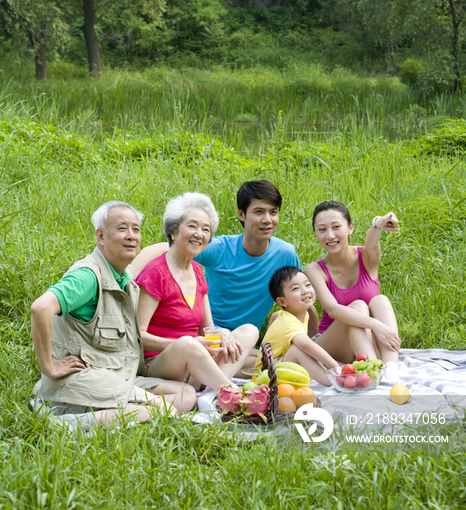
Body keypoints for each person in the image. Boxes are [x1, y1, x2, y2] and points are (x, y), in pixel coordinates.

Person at [31, 201, 197, 428]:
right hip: (83, 378)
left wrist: (189, 238)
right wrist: (48, 367)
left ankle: (111, 414)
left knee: (186, 394)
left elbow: (153, 251)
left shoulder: (124, 272)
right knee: (158, 409)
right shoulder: (87, 277)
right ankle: (67, 423)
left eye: (136, 230)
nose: (131, 236)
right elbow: (40, 308)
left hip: (118, 375)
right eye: (122, 228)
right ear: (101, 236)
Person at [133, 181, 320, 337]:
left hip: (244, 337)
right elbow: (158, 249)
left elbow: (302, 296)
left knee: (260, 354)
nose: (267, 220)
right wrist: (126, 280)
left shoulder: (285, 253)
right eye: (259, 212)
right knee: (262, 363)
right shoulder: (220, 249)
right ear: (241, 214)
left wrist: (310, 338)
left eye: (273, 212)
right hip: (208, 333)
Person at [135, 192, 259, 392]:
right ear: (173, 231)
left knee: (248, 331)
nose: (199, 234)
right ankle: (230, 393)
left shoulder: (197, 271)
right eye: (192, 226)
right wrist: (187, 343)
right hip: (161, 363)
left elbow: (207, 329)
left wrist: (223, 333)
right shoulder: (155, 273)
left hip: (197, 359)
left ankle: (212, 390)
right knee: (186, 344)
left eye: (206, 229)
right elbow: (138, 335)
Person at [305, 201, 401, 383]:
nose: (330, 235)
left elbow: (371, 242)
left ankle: (390, 370)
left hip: (366, 340)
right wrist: (375, 324)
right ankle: (374, 370)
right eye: (322, 229)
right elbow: (333, 310)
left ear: (350, 228)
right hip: (333, 344)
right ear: (316, 233)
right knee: (357, 306)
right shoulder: (315, 269)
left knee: (380, 300)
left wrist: (378, 224)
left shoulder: (366, 257)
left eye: (336, 227)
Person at [257, 266, 339, 385]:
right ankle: (335, 381)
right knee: (299, 349)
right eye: (296, 288)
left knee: (310, 346)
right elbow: (306, 344)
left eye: (307, 285)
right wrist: (335, 366)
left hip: (281, 362)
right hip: (268, 372)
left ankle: (334, 372)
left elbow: (275, 315)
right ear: (282, 302)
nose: (305, 291)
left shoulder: (299, 313)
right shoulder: (289, 321)